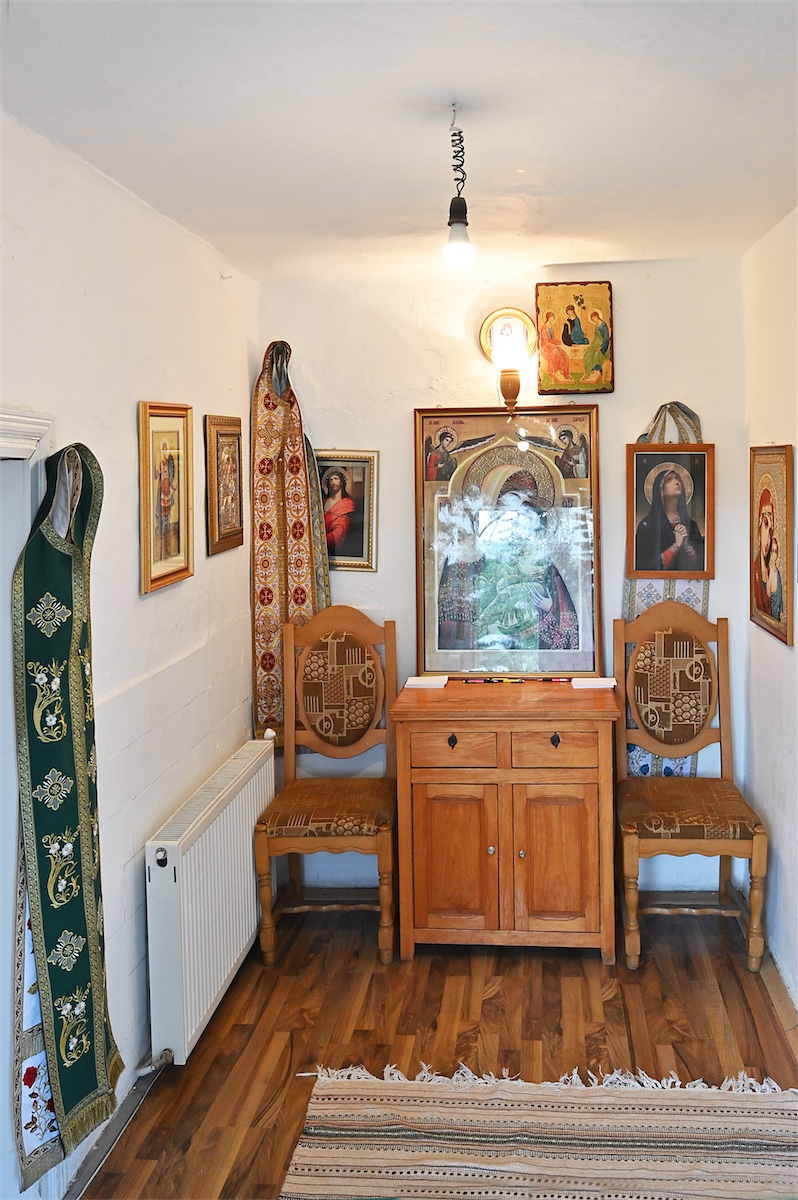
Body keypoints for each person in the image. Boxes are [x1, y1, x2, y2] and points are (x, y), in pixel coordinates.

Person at [635, 465, 704, 572]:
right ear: (661, 490)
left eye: (677, 479)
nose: (676, 482)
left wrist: (687, 545)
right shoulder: (648, 525)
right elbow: (644, 565)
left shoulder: (691, 524)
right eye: (669, 480)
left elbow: (701, 564)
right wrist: (676, 546)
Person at [425, 429, 496, 482]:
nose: (448, 443)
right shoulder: (433, 454)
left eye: (449, 441)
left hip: (446, 477)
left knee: (453, 461)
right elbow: (429, 470)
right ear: (441, 440)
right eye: (446, 440)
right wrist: (438, 467)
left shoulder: (446, 453)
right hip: (438, 477)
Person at [752, 487, 776, 616]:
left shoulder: (772, 572)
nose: (768, 537)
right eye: (766, 524)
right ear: (759, 524)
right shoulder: (755, 569)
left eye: (771, 529)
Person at [323, 467, 356, 554]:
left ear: (341, 483)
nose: (333, 482)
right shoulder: (323, 502)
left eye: (336, 479)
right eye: (331, 480)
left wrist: (321, 540)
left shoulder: (347, 504)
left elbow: (339, 532)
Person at [154, 438, 176, 561]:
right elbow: (156, 475)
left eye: (165, 449)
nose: (164, 451)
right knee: (162, 515)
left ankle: (167, 541)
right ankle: (162, 538)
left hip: (168, 492)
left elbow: (170, 478)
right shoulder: (161, 464)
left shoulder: (168, 463)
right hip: (162, 491)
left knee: (168, 515)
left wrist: (173, 486)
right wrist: (153, 462)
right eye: (163, 449)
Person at [538, 312, 572, 384]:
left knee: (565, 355)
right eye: (551, 318)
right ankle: (555, 371)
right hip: (546, 349)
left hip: (553, 347)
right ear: (548, 318)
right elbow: (545, 342)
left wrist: (557, 342)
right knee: (556, 353)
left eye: (553, 318)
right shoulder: (544, 328)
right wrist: (554, 345)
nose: (552, 319)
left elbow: (553, 339)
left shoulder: (551, 326)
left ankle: (566, 374)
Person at [582, 309, 611, 384]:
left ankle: (592, 372)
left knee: (596, 355)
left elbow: (606, 338)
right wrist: (590, 347)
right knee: (587, 355)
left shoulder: (603, 325)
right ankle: (588, 372)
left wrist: (601, 347)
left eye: (594, 318)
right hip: (595, 344)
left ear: (597, 316)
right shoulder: (596, 326)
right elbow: (595, 338)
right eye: (592, 319)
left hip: (603, 345)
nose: (594, 320)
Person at [768, 534, 784, 621]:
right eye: (772, 551)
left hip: (777, 608)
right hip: (773, 607)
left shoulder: (776, 571)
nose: (774, 555)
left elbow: (780, 590)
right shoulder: (769, 571)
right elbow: (768, 593)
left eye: (776, 551)